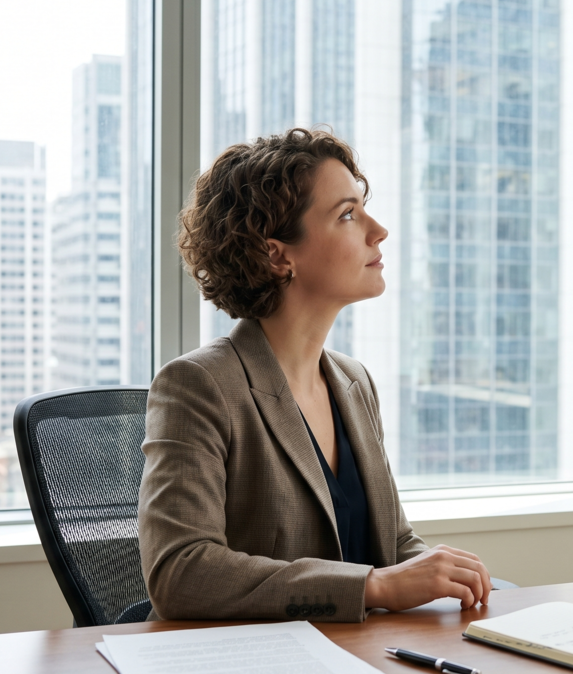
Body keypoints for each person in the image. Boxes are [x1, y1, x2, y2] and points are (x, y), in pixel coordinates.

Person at [138, 127, 493, 622]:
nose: (378, 230)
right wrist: (374, 585)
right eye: (347, 214)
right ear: (278, 254)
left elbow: (391, 544)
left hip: (360, 653)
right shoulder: (199, 386)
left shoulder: (354, 382)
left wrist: (442, 574)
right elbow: (181, 572)